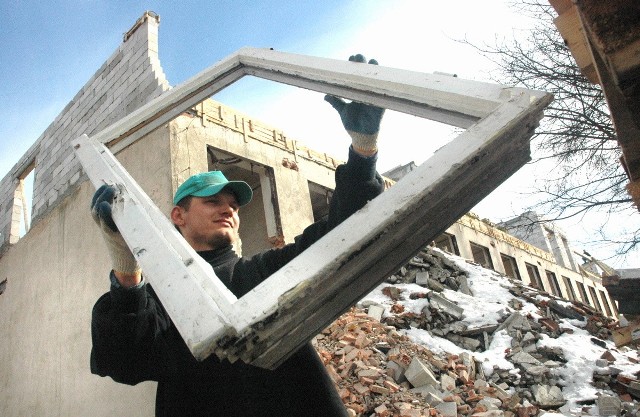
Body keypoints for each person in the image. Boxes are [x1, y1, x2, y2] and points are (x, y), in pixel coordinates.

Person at [89, 54, 385, 417]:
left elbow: (345, 232)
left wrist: (363, 152)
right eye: (213, 201)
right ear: (178, 215)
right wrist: (126, 265)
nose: (228, 208)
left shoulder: (262, 273)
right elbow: (125, 361)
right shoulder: (162, 299)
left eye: (233, 204)